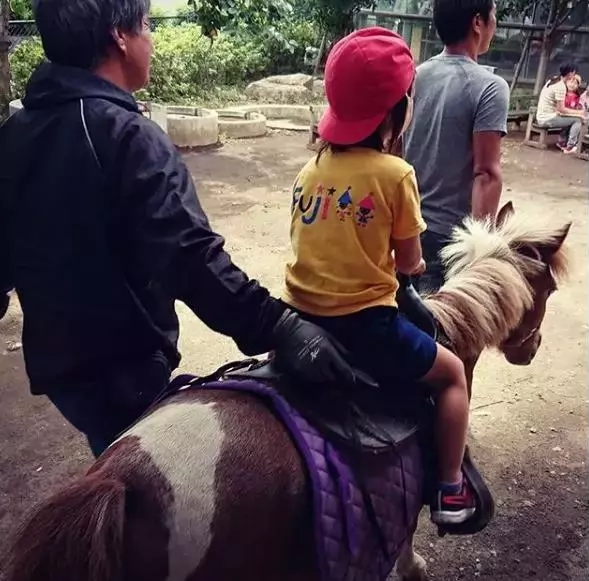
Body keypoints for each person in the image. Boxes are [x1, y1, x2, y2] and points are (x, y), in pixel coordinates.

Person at [0, 0, 368, 458]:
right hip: (125, 372)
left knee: (111, 454)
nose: (151, 40)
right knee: (146, 473)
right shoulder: (129, 138)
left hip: (60, 370)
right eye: (146, 25)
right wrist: (280, 326)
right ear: (119, 36)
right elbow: (190, 257)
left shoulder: (14, 133)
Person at [283, 27, 475, 526]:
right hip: (364, 325)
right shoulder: (396, 174)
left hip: (297, 320)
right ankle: (450, 490)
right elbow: (410, 261)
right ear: (398, 109)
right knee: (453, 374)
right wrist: (409, 266)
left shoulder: (310, 170)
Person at [403, 0, 509, 294]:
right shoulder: (490, 87)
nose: (495, 24)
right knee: (446, 321)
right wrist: (479, 255)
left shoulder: (414, 76)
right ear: (477, 23)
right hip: (450, 240)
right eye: (494, 16)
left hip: (404, 227)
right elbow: (486, 174)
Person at [535, 63, 585, 155]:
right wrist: (579, 113)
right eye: (574, 73)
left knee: (572, 119)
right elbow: (561, 109)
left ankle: (563, 142)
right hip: (547, 118)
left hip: (544, 115)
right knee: (577, 120)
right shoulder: (561, 86)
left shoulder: (554, 79)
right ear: (570, 73)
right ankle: (570, 147)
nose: (574, 75)